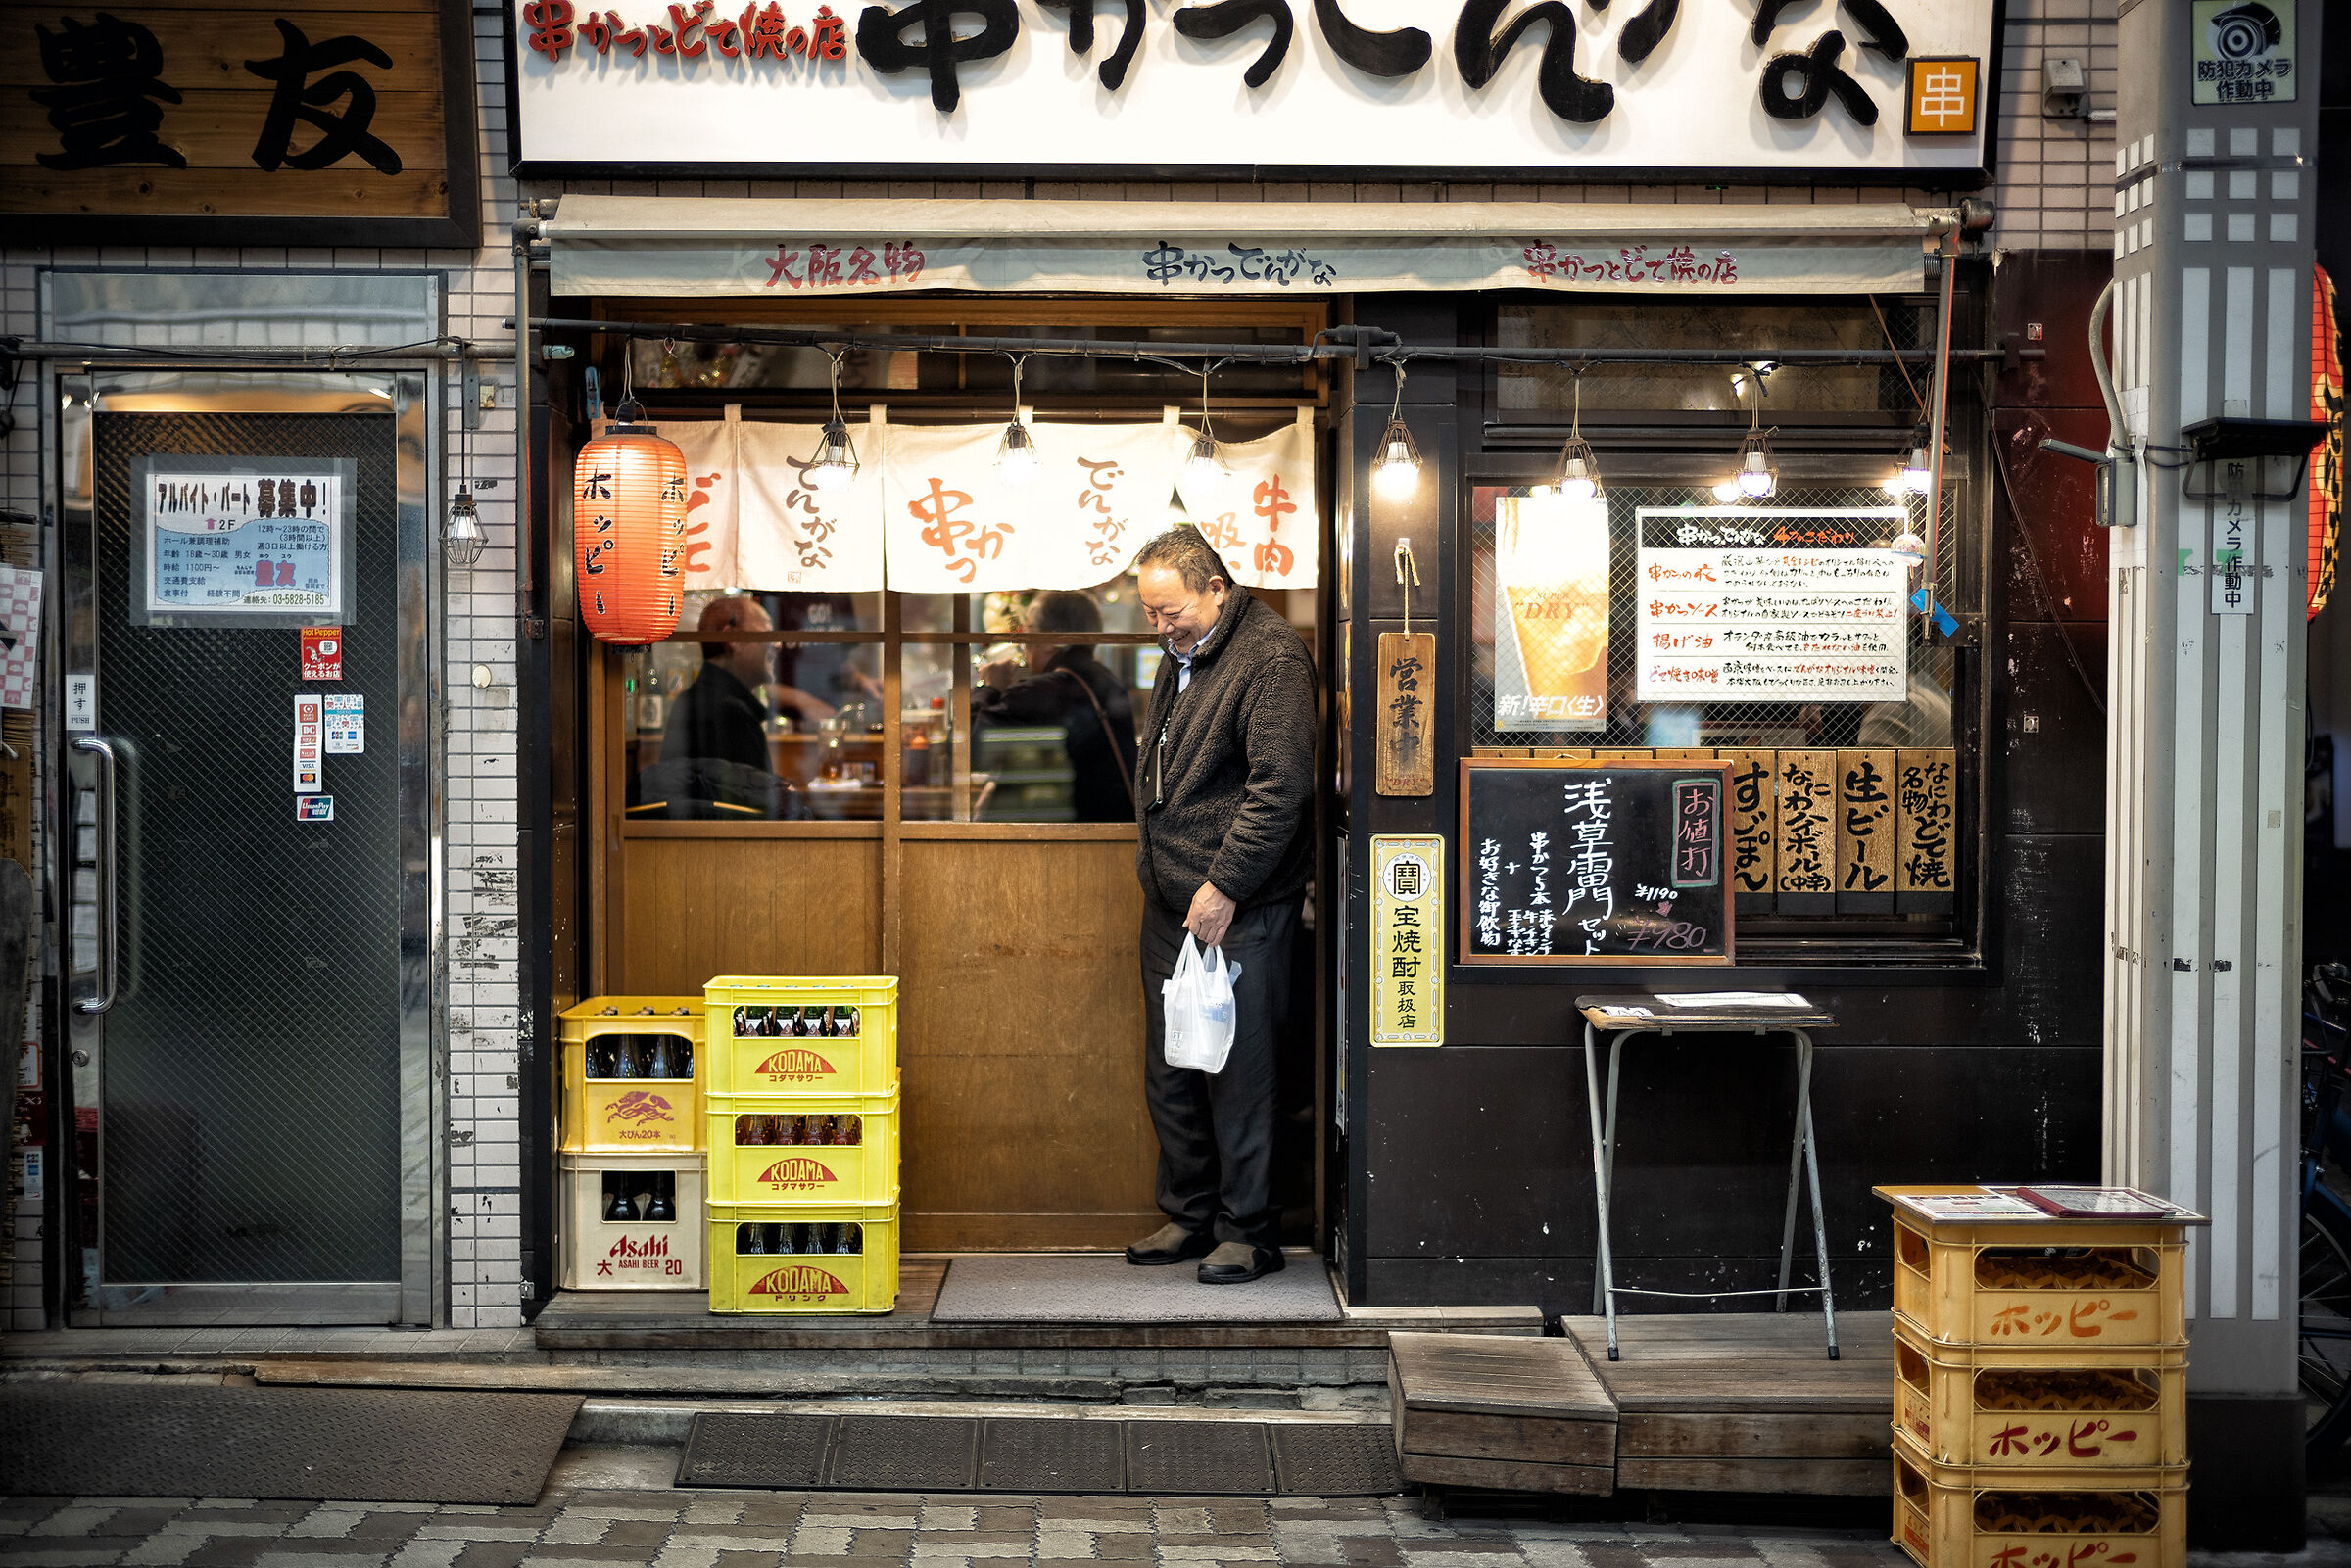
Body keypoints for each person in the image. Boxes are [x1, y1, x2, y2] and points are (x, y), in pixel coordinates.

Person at [1125, 526, 1316, 1285]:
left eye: (1170, 611)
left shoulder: (1270, 657)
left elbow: (1280, 788)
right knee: (1174, 1064)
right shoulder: (1184, 652)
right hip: (1173, 899)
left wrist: (1226, 883)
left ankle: (1249, 1229)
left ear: (1215, 587)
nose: (1160, 626)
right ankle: (1191, 1212)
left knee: (1241, 1069)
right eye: (1150, 612)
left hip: (1240, 902)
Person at [974, 590, 1139, 823]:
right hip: (1109, 823)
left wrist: (989, 687)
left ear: (1052, 640)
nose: (1023, 643)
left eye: (1029, 631)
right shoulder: (1106, 680)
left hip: (1066, 830)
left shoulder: (1045, 691)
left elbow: (972, 748)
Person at [664, 594, 778, 772]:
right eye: (768, 632)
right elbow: (744, 787)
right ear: (733, 639)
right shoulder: (728, 713)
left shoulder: (702, 700)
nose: (777, 644)